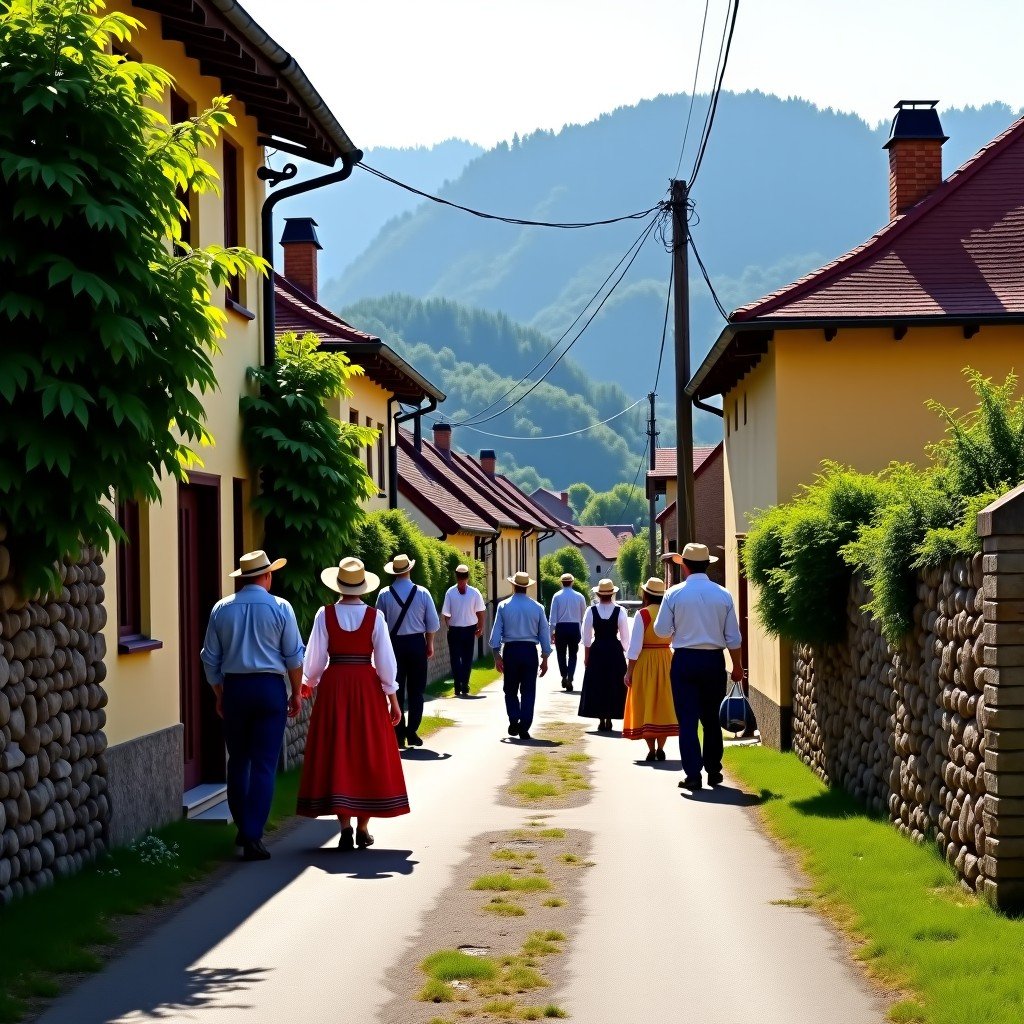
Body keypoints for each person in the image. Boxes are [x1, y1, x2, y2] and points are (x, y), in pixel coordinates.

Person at [297, 557, 408, 851]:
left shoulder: (325, 614)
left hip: (335, 685)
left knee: (338, 750)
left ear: (339, 585)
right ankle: (363, 828)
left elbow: (316, 656)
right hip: (366, 686)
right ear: (362, 586)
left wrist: (308, 683)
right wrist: (393, 699)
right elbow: (385, 662)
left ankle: (344, 827)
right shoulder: (375, 617)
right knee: (366, 751)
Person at [200, 550, 304, 862]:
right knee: (264, 763)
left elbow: (209, 658)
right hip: (269, 688)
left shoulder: (221, 609)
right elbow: (294, 657)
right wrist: (296, 692)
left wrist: (219, 693)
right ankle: (253, 833)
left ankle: (244, 827)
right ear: (268, 575)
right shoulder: (281, 607)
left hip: (235, 688)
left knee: (238, 761)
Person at [653, 542, 743, 791]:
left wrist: (677, 631)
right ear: (707, 565)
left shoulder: (674, 594)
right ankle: (713, 769)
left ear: (685, 567)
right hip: (714, 660)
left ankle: (693, 774)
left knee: (688, 720)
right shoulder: (723, 594)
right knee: (712, 718)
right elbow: (733, 637)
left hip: (684, 660)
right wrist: (737, 666)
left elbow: (661, 630)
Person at [375, 553, 440, 748]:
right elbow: (432, 624)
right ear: (409, 569)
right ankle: (412, 731)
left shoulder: (384, 594)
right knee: (416, 690)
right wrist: (429, 644)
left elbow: (378, 625)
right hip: (416, 644)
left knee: (395, 689)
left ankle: (398, 733)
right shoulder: (422, 593)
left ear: (394, 572)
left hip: (393, 645)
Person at [491, 570, 551, 741]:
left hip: (511, 650)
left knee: (510, 689)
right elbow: (544, 634)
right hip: (530, 651)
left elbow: (496, 633)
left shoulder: (504, 606)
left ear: (513, 585)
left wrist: (497, 655)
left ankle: (513, 717)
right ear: (527, 587)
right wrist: (545, 657)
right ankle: (524, 725)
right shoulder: (537, 607)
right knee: (528, 690)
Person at [623, 577, 678, 761]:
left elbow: (635, 646)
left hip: (646, 660)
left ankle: (651, 749)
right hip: (665, 659)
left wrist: (629, 671)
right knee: (662, 701)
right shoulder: (670, 612)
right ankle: (661, 747)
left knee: (646, 701)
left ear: (646, 594)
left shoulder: (643, 614)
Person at [579, 579, 630, 732]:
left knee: (598, 683)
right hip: (614, 649)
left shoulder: (591, 611)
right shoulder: (620, 611)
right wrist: (623, 651)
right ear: (613, 593)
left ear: (598, 594)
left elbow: (586, 637)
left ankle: (601, 718)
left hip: (598, 649)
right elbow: (625, 637)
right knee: (613, 684)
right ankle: (610, 716)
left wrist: (586, 656)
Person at [441, 564, 486, 696]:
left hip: (469, 630)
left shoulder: (474, 592)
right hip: (455, 630)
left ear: (467, 578)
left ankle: (464, 684)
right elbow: (446, 614)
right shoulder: (450, 592)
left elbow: (481, 611)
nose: (461, 580)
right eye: (460, 577)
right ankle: (457, 685)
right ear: (457, 577)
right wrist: (449, 626)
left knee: (467, 659)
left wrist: (481, 627)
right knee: (455, 659)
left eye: (463, 577)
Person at [548, 573, 587, 692]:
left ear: (561, 582)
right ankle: (570, 676)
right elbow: (583, 616)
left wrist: (550, 633)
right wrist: (582, 631)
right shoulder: (579, 596)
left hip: (561, 627)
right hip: (575, 626)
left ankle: (564, 675)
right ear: (572, 582)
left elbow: (552, 617)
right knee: (573, 654)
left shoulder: (557, 596)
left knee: (560, 654)